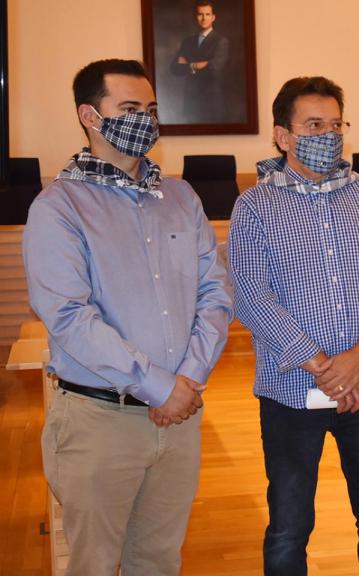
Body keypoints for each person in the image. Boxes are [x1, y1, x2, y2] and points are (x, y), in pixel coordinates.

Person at [22, 58, 233, 575]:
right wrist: (159, 386)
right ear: (90, 116)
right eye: (131, 108)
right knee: (93, 565)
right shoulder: (59, 207)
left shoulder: (181, 197)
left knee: (159, 562)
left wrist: (187, 379)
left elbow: (216, 294)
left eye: (152, 109)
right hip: (100, 421)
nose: (146, 120)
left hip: (180, 418)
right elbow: (70, 317)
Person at [228, 76, 359, 576]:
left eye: (335, 124)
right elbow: (251, 294)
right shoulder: (254, 206)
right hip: (291, 392)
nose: (327, 134)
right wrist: (323, 368)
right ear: (282, 135)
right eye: (313, 125)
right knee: (289, 528)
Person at [171, 1, 229, 122]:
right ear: (196, 17)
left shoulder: (221, 41)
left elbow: (214, 68)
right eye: (200, 14)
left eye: (207, 14)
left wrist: (188, 65)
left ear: (213, 17)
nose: (203, 18)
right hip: (191, 102)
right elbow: (174, 68)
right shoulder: (188, 42)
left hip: (211, 102)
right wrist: (199, 65)